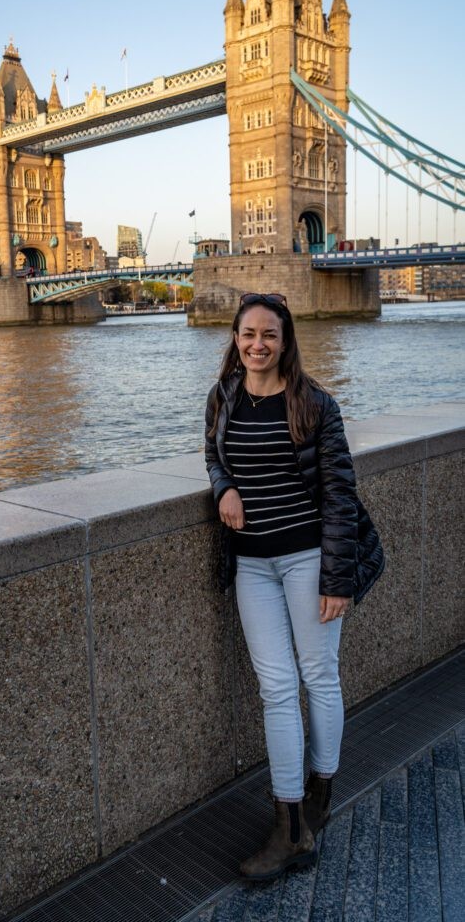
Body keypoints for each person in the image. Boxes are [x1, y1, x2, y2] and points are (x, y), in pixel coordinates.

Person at [204, 292, 383, 881]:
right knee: (277, 689)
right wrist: (224, 487)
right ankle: (288, 826)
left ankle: (319, 795)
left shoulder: (314, 404)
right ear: (236, 337)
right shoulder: (223, 397)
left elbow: (338, 496)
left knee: (318, 675)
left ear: (286, 342)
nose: (257, 345)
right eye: (248, 334)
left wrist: (337, 578)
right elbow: (213, 453)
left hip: (309, 561)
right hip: (252, 565)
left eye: (269, 336)